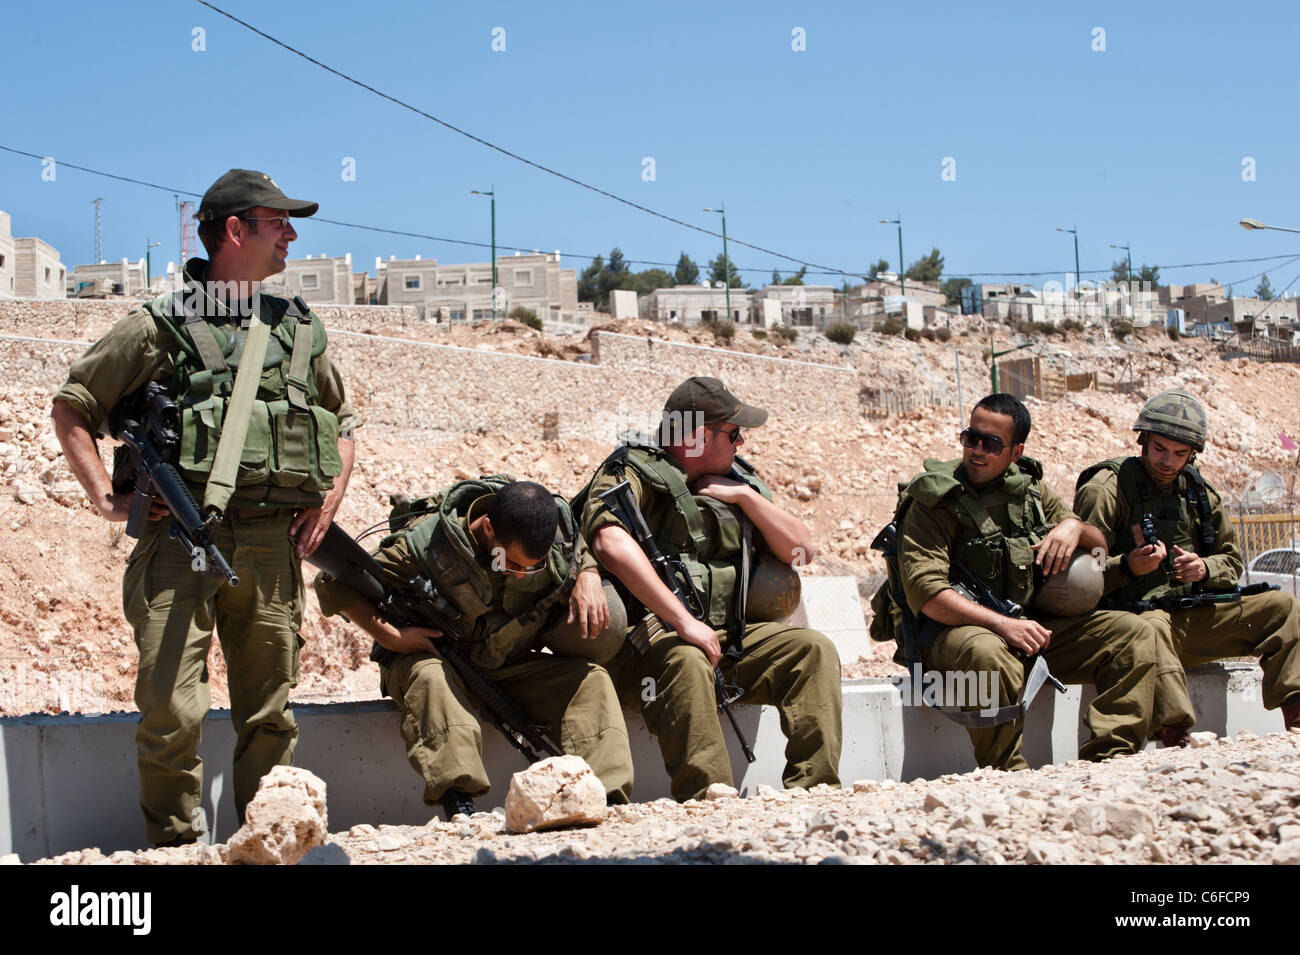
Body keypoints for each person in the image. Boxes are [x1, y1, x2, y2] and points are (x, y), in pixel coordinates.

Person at [51, 169, 357, 845]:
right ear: (235, 230)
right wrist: (107, 497)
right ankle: (175, 846)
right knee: (169, 707)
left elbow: (345, 423)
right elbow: (72, 405)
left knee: (270, 711)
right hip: (176, 540)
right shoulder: (159, 324)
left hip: (273, 545)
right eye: (277, 221)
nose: (292, 234)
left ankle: (268, 844)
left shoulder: (300, 330)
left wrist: (327, 505)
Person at [574, 376, 842, 802]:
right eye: (734, 434)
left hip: (726, 642)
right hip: (647, 649)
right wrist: (683, 622)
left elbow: (801, 552)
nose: (741, 445)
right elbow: (608, 541)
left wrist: (748, 500)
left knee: (812, 651)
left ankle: (815, 790)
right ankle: (710, 800)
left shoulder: (736, 479)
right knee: (686, 659)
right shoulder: (629, 472)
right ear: (698, 437)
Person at [314, 478, 634, 817]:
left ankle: (608, 798)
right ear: (489, 528)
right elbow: (333, 580)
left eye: (532, 568)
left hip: (500, 666)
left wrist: (588, 574)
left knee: (590, 680)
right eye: (514, 565)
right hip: (435, 660)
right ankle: (459, 803)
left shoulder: (547, 535)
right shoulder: (425, 545)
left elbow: (576, 546)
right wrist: (392, 636)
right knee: (430, 676)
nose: (523, 576)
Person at [889, 393, 1158, 771]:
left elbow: (1099, 548)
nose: (977, 451)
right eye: (971, 438)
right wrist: (1004, 625)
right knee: (988, 652)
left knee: (1132, 632)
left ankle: (1111, 761)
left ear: (1016, 452)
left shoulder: (1030, 492)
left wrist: (1072, 527)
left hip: (1027, 627)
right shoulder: (934, 500)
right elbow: (929, 595)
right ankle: (1005, 772)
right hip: (952, 635)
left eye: (991, 443)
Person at [1073, 387, 1300, 743]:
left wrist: (1204, 569)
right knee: (1150, 627)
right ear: (1143, 440)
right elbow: (1077, 576)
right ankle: (1174, 733)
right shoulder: (1107, 488)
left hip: (1191, 617)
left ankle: (1297, 716)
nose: (1168, 461)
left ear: (1192, 454)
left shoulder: (1199, 493)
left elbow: (1231, 560)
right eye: (1160, 449)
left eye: (1180, 454)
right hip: (1132, 623)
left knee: (1282, 608)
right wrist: (1128, 567)